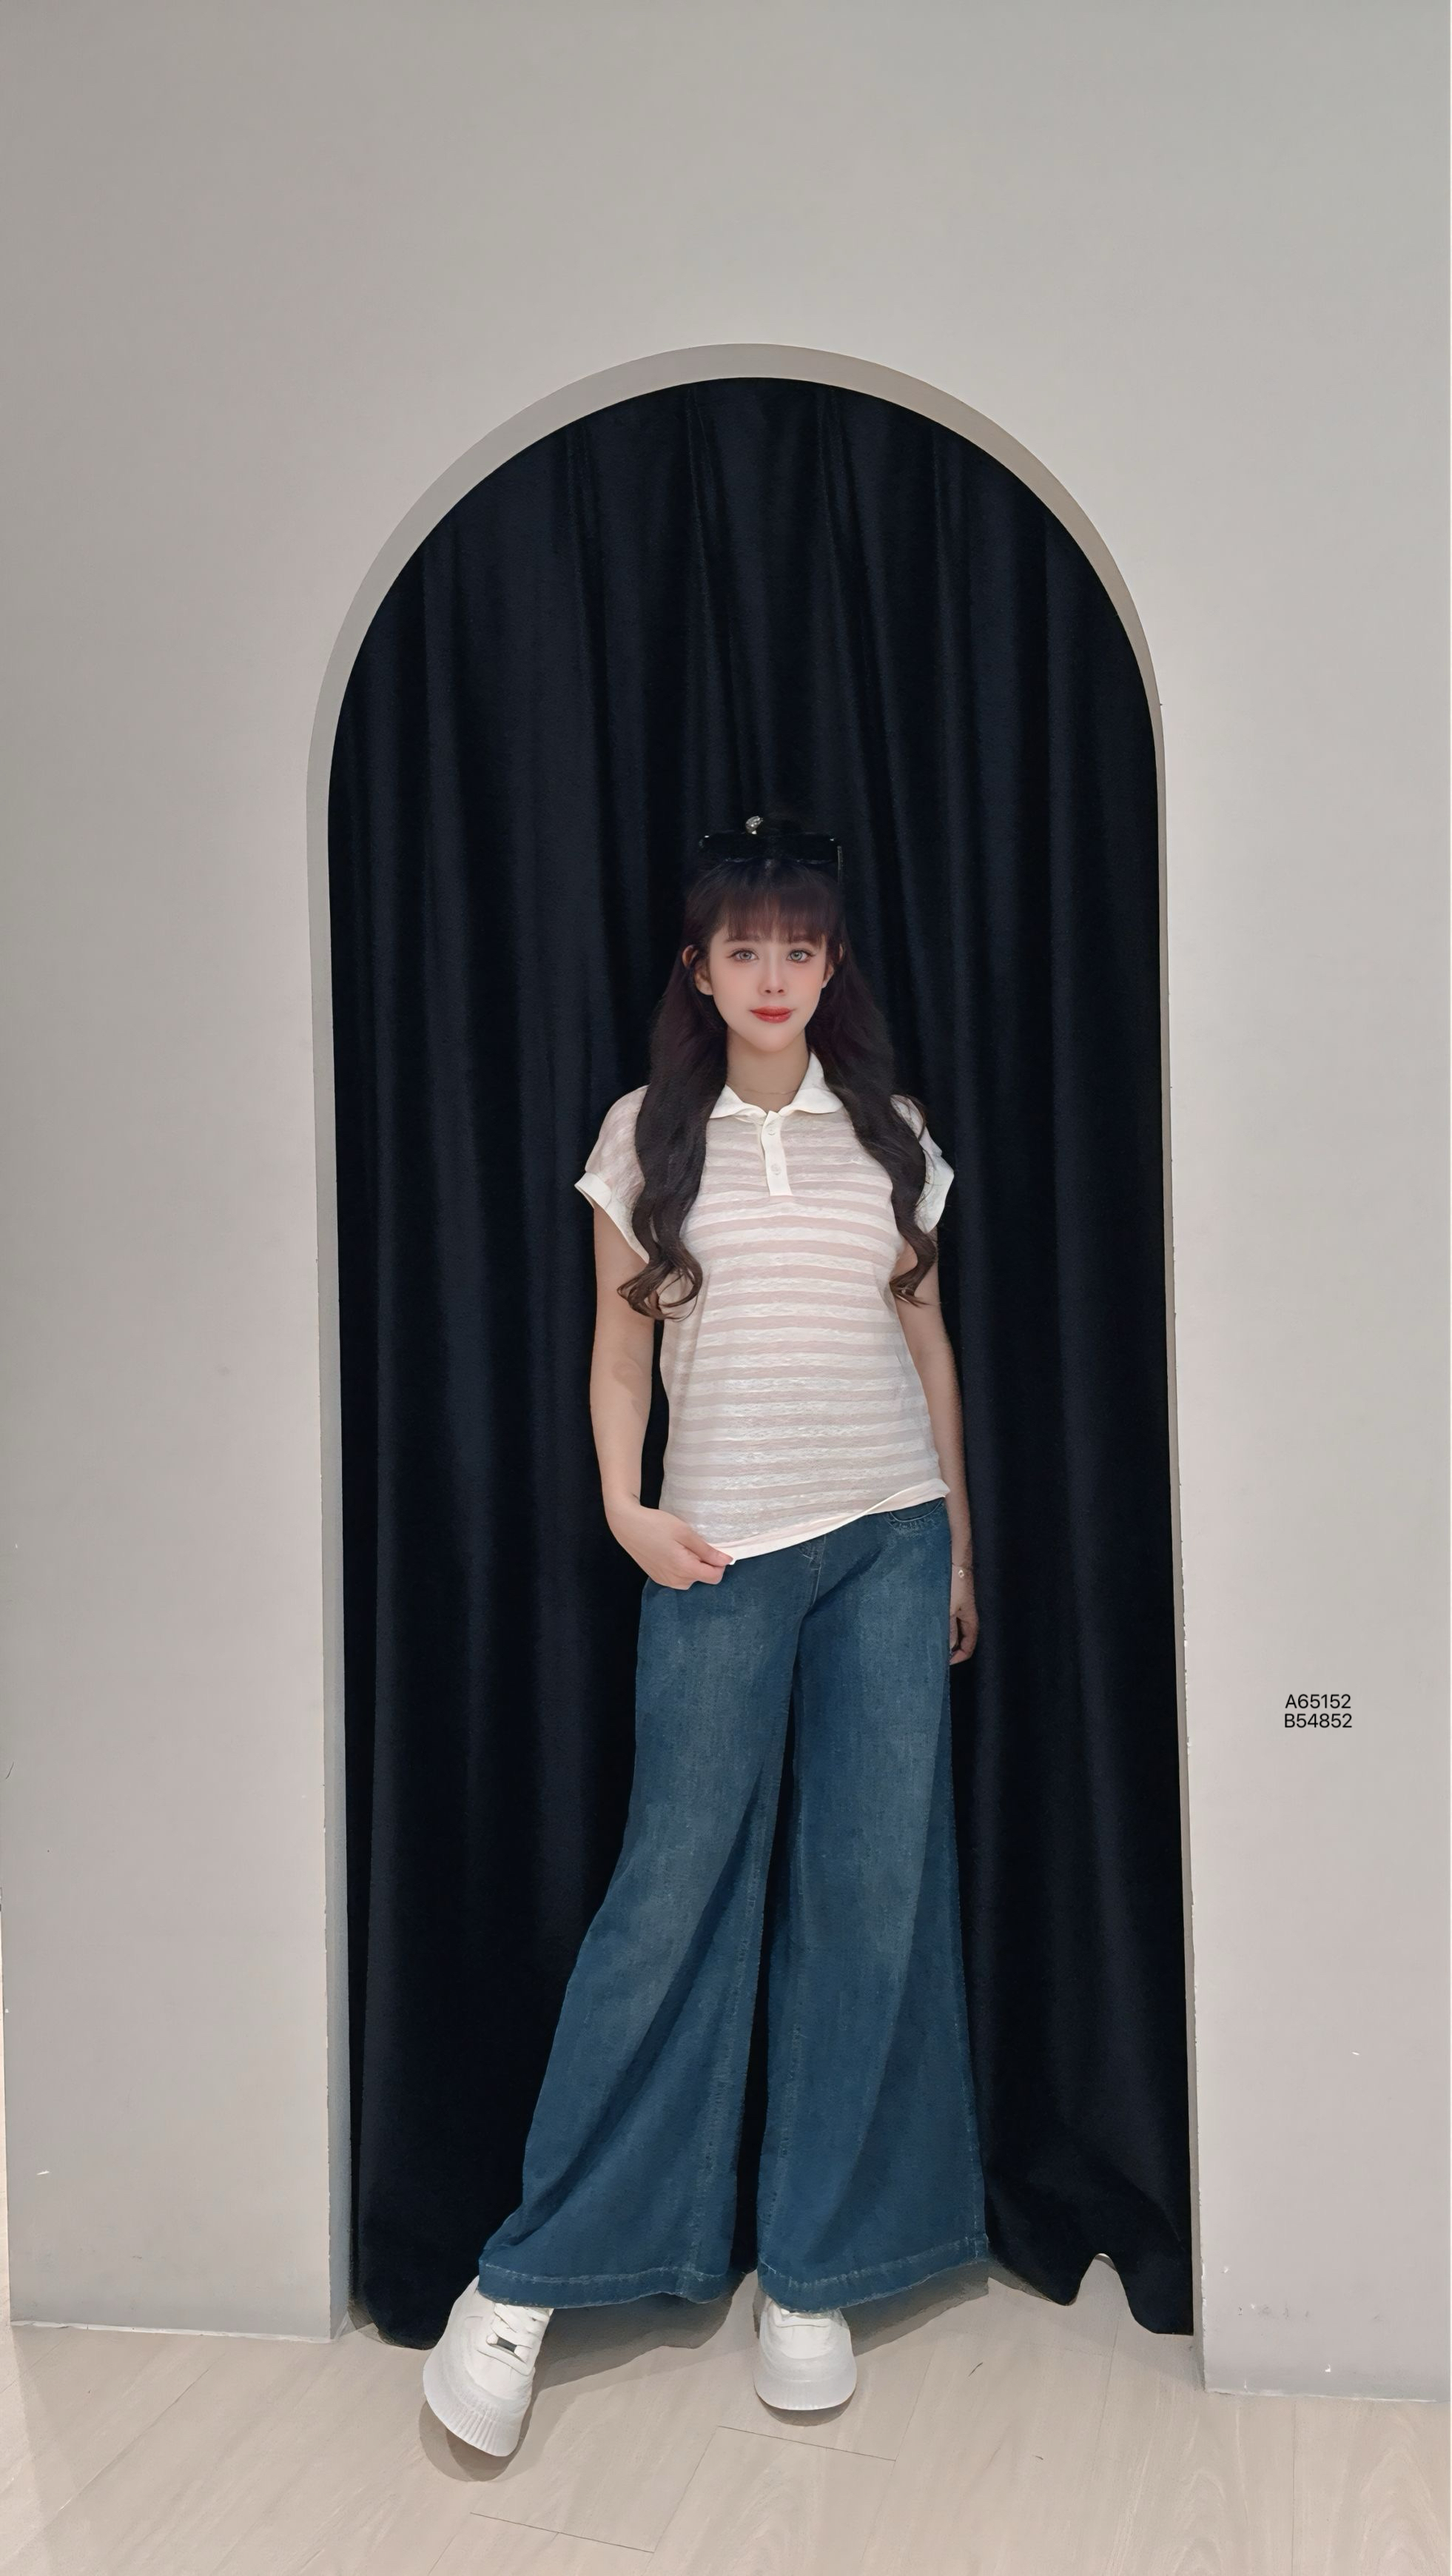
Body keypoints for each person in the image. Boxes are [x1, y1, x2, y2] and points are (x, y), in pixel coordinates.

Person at [423, 817, 988, 2457]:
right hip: (719, 1552)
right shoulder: (644, 1137)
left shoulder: (890, 1133)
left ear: (832, 965)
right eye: (745, 949)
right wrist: (624, 1508)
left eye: (799, 948)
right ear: (701, 968)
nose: (773, 975)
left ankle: (817, 2269)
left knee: (869, 1899)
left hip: (889, 1541)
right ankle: (530, 2275)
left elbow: (926, 1342)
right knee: (670, 1895)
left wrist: (959, 1543)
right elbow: (617, 1359)